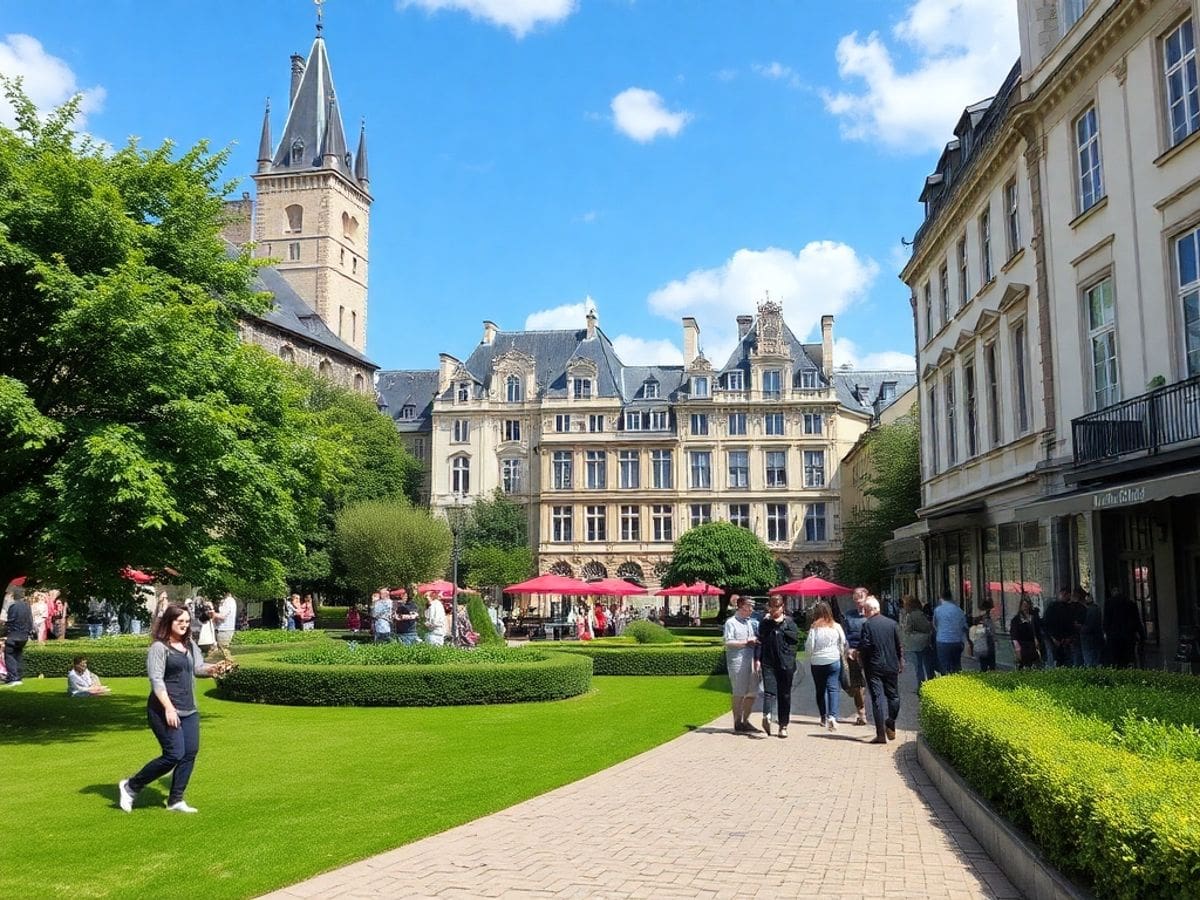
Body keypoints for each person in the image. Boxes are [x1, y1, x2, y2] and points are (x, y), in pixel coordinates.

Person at [118, 604, 231, 814]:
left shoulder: (189, 645)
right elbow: (156, 680)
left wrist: (214, 669)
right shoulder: (159, 648)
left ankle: (175, 800)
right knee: (174, 754)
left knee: (189, 753)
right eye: (179, 621)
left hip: (189, 709)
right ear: (169, 622)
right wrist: (169, 708)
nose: (184, 625)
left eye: (187, 622)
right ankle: (131, 786)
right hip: (164, 709)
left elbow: (197, 668)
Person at [857, 597, 904, 744]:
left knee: (877, 699)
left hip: (874, 667)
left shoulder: (867, 625)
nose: (863, 613)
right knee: (893, 696)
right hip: (891, 665)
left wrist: (860, 658)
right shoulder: (892, 623)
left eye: (864, 610)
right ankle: (890, 721)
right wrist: (900, 661)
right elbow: (899, 645)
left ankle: (880, 735)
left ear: (869, 610)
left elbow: (865, 645)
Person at [755, 596, 799, 737]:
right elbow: (759, 641)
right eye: (773, 607)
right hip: (768, 662)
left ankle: (783, 725)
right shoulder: (765, 624)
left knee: (784, 695)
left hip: (785, 665)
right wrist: (757, 659)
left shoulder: (790, 623)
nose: (775, 610)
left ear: (782, 607)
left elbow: (794, 644)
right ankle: (766, 715)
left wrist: (790, 660)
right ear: (769, 607)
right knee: (769, 690)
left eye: (778, 607)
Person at [805, 601, 847, 731]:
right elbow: (843, 642)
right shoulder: (836, 626)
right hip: (833, 660)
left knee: (820, 690)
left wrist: (811, 655)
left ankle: (823, 716)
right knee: (833, 689)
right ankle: (833, 717)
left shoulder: (814, 628)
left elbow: (809, 647)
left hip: (817, 662)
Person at [723, 596, 760, 734]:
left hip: (750, 660)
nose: (750, 610)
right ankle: (737, 721)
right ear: (740, 607)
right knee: (738, 692)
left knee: (752, 692)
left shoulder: (750, 622)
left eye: (751, 608)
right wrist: (745, 643)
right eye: (747, 608)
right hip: (737, 661)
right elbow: (728, 641)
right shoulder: (731, 623)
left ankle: (746, 720)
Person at [840, 589, 869, 725]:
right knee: (857, 684)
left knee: (872, 683)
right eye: (856, 599)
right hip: (853, 653)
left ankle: (873, 711)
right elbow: (844, 635)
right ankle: (861, 713)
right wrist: (848, 649)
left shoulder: (872, 615)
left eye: (861, 598)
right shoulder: (849, 616)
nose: (858, 602)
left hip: (869, 653)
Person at [1103, 585, 1145, 668]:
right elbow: (1136, 621)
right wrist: (1142, 635)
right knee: (1128, 660)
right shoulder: (1130, 603)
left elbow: (1106, 622)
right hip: (1128, 637)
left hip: (1114, 637)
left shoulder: (1108, 604)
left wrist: (1106, 633)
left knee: (1116, 662)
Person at [900, 595, 935, 684]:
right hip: (923, 642)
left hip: (917, 644)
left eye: (905, 604)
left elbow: (908, 630)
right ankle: (930, 681)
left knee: (919, 665)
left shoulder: (912, 615)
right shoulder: (919, 613)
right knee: (927, 664)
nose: (903, 605)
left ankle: (922, 683)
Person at [2, 592, 33, 686]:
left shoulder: (13, 606)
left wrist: (5, 626)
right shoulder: (27, 606)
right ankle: (18, 677)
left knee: (9, 655)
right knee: (18, 655)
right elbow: (30, 621)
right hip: (24, 635)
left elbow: (11, 621)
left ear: (14, 596)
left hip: (14, 635)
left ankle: (13, 678)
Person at [932, 593, 967, 674]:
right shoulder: (959, 610)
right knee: (956, 664)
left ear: (941, 599)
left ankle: (947, 682)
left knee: (944, 665)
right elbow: (964, 625)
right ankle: (957, 682)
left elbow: (935, 624)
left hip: (942, 641)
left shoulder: (938, 610)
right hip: (957, 641)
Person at [1043, 588, 1077, 668]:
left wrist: (1069, 638)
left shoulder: (1069, 607)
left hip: (1064, 639)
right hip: (1054, 639)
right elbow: (1047, 624)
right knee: (1055, 659)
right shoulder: (1053, 607)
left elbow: (1070, 624)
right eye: (1065, 594)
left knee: (1066, 660)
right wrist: (1053, 638)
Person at [1009, 596, 1043, 669]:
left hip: (1034, 647)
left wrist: (1038, 641)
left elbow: (1038, 631)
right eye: (1024, 605)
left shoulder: (1034, 618)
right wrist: (1018, 650)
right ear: (1020, 606)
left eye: (1027, 605)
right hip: (1023, 647)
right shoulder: (1016, 620)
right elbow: (1014, 636)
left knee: (1035, 668)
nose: (1025, 607)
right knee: (1023, 668)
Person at [1078, 589, 1104, 667]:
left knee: (1090, 661)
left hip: (1088, 639)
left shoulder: (1090, 610)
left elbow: (1089, 627)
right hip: (1097, 638)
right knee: (1096, 660)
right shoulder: (1096, 608)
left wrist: (1080, 628)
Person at [970, 599, 998, 672]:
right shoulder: (985, 620)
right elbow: (991, 632)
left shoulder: (979, 620)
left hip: (982, 645)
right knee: (990, 666)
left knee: (984, 665)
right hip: (986, 644)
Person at [210, 592, 237, 661]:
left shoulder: (228, 601)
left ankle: (230, 666)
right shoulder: (226, 601)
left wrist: (211, 612)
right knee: (221, 651)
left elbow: (222, 616)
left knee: (224, 650)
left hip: (224, 629)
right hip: (222, 629)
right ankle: (223, 667)